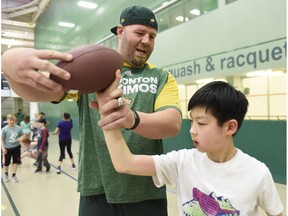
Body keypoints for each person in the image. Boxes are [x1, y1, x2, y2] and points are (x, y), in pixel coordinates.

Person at [1, 5, 182, 216]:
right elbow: (36, 94)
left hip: (146, 191)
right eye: (140, 33)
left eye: (152, 36)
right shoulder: (92, 71)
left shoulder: (160, 77)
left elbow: (172, 124)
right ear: (121, 32)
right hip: (96, 190)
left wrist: (130, 118)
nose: (146, 41)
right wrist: (8, 63)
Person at [96, 79, 284, 215]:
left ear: (230, 127)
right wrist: (108, 116)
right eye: (191, 122)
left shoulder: (257, 173)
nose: (192, 131)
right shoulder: (182, 162)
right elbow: (125, 163)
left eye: (201, 123)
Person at [1, 114, 24, 183]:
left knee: (15, 162)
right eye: (10, 120)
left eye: (13, 120)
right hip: (7, 148)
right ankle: (6, 175)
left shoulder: (19, 128)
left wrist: (19, 139)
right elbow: (1, 139)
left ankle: (14, 175)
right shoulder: (4, 129)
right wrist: (2, 148)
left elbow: (22, 136)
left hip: (16, 148)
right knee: (6, 163)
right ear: (7, 120)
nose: (12, 121)